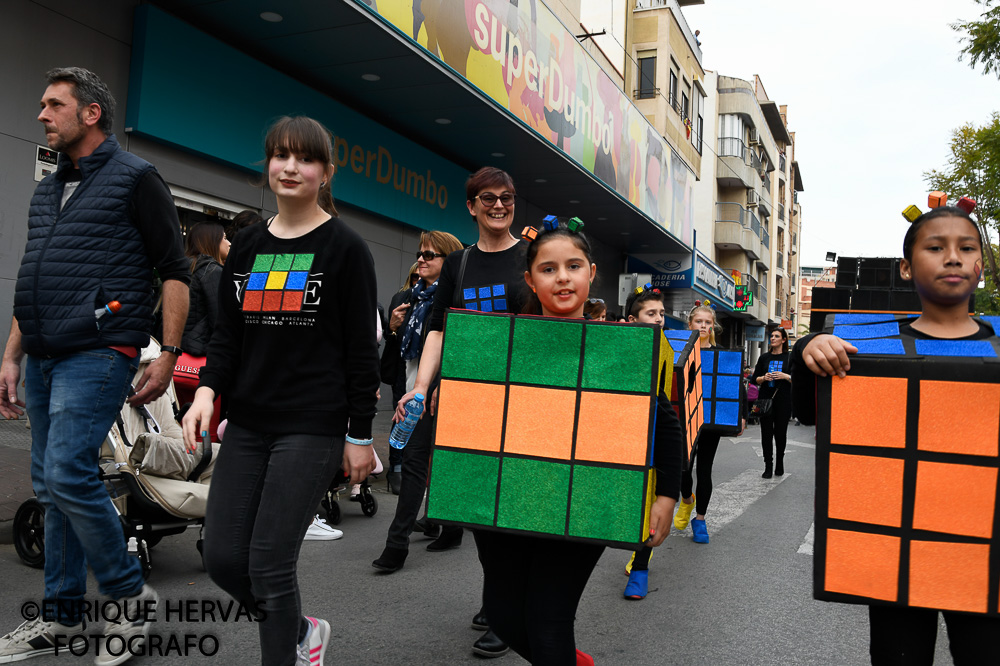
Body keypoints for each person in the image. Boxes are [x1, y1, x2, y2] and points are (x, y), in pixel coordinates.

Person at [0, 67, 190, 664]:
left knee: (68, 473)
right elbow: (36, 280)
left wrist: (171, 355)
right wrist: (11, 354)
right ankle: (59, 617)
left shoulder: (138, 178)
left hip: (102, 350)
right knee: (51, 489)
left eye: (53, 104)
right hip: (45, 355)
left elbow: (177, 273)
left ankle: (129, 596)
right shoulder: (49, 186)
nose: (41, 114)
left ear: (91, 114)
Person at [181, 115, 378, 666]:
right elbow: (228, 335)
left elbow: (362, 353)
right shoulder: (245, 246)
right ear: (267, 166)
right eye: (280, 156)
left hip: (311, 425)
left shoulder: (345, 248)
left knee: (269, 564)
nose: (291, 167)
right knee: (222, 560)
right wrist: (205, 394)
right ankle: (300, 630)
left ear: (326, 173)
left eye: (305, 158)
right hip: (247, 422)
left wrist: (358, 435)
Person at [792, 205, 1000, 664]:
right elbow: (808, 413)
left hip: (987, 554)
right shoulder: (864, 350)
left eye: (966, 248)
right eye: (935, 247)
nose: (953, 258)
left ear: (980, 265)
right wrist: (808, 347)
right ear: (906, 268)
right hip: (897, 557)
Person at [475, 220, 681, 664]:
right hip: (507, 495)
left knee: (548, 623)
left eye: (573, 266)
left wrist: (667, 494)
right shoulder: (501, 343)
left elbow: (665, 425)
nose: (562, 277)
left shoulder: (623, 349)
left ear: (591, 273)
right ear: (531, 280)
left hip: (583, 500)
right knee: (503, 616)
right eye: (548, 269)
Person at [375, 166, 524, 658]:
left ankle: (506, 608)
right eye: (488, 198)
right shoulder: (458, 265)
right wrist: (421, 388)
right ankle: (499, 595)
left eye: (506, 197)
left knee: (509, 507)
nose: (498, 205)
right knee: (477, 506)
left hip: (521, 403)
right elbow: (438, 329)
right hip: (465, 399)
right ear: (471, 206)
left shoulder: (531, 257)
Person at [377, 231, 462, 531]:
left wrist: (440, 385)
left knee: (438, 460)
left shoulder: (454, 299)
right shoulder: (406, 298)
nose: (421, 260)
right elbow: (395, 356)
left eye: (429, 255)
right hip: (410, 386)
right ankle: (405, 534)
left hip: (439, 390)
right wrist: (392, 329)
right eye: (419, 254)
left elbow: (455, 347)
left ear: (448, 260)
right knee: (416, 459)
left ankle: (444, 526)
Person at [619, 285, 685, 600]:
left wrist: (668, 494)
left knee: (646, 507)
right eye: (651, 314)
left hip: (650, 443)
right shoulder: (613, 346)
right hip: (614, 445)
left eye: (661, 314)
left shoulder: (664, 351)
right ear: (632, 320)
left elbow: (669, 422)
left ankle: (641, 568)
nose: (659, 320)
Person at [673, 304, 745, 544]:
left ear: (712, 326)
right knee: (683, 468)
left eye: (707, 322)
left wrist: (741, 416)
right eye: (699, 322)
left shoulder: (721, 354)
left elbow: (736, 386)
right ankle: (686, 500)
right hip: (685, 419)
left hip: (711, 420)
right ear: (690, 324)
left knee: (704, 469)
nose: (703, 326)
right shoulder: (680, 351)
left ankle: (700, 519)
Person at [382, 261, 420, 494]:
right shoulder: (401, 298)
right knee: (402, 416)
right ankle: (395, 467)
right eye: (414, 277)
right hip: (402, 367)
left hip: (426, 366)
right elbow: (391, 336)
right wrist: (393, 327)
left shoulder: (438, 296)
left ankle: (412, 466)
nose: (418, 279)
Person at [181, 222, 229, 357]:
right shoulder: (212, 271)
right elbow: (219, 321)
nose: (229, 243)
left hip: (176, 348)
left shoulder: (185, 267)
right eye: (224, 238)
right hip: (198, 352)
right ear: (212, 241)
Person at [751, 327, 791, 478]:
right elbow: (755, 379)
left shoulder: (789, 358)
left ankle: (779, 463)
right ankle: (768, 465)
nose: (772, 338)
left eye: (776, 336)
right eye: (771, 336)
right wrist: (764, 378)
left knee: (780, 433)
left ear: (783, 340)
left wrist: (784, 376)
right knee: (766, 434)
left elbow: (797, 379)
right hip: (765, 399)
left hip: (783, 400)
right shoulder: (764, 358)